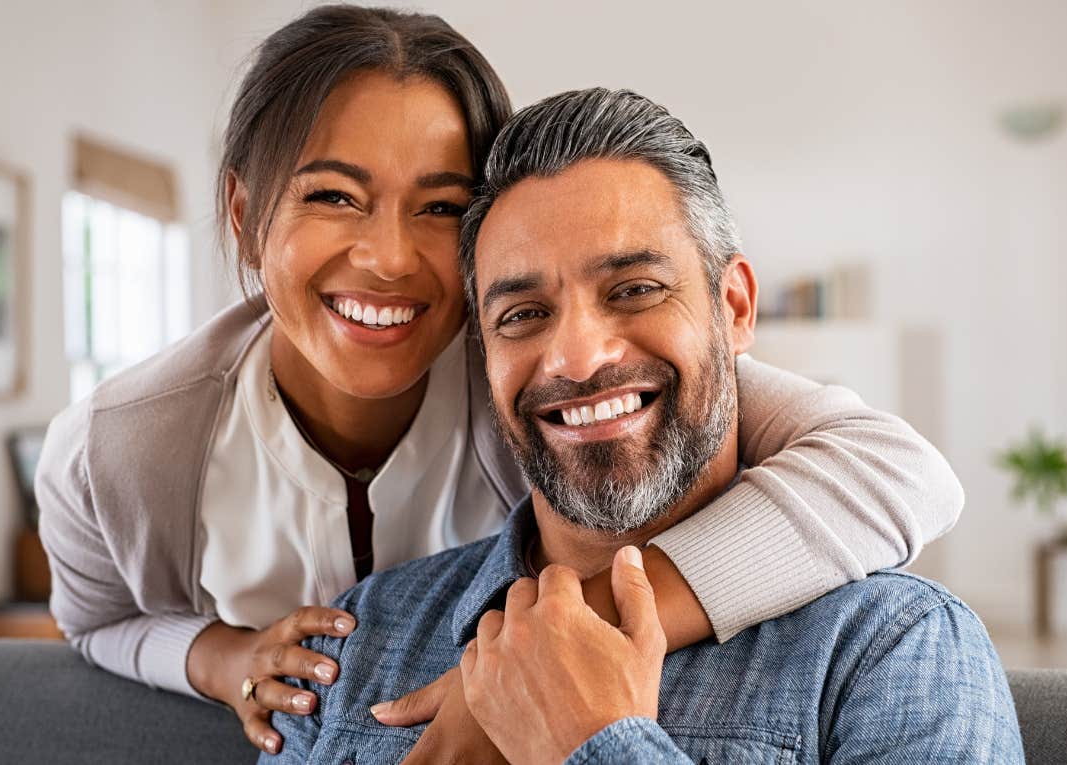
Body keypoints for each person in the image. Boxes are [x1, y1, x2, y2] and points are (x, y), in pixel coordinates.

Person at [35, 5, 965, 756]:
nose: (390, 257)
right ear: (244, 214)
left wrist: (550, 654)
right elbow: (96, 621)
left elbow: (898, 469)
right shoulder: (125, 445)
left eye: (441, 206)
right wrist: (220, 655)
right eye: (332, 195)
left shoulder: (533, 371)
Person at [266, 87, 1022, 765]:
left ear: (735, 309)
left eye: (634, 290)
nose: (578, 356)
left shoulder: (893, 650)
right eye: (523, 314)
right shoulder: (359, 637)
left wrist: (594, 744)